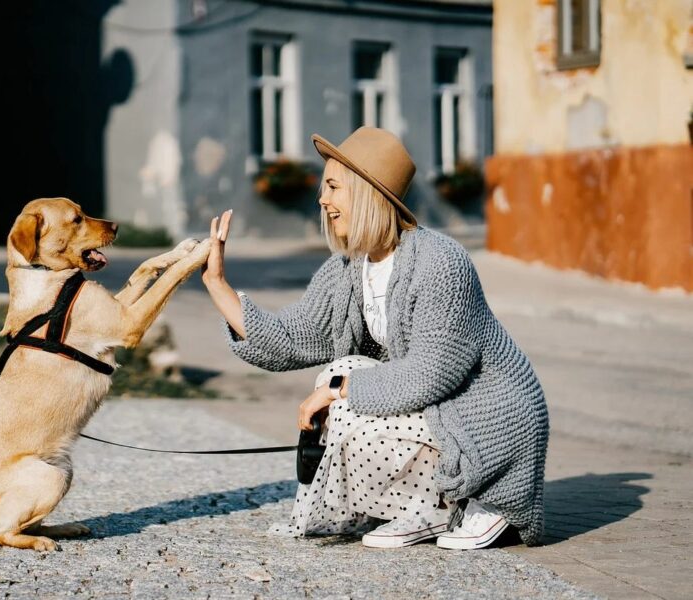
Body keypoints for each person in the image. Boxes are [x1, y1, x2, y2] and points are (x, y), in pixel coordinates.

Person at [200, 127, 549, 549]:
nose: (322, 200)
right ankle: (422, 507)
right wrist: (218, 285)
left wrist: (336, 392)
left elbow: (430, 374)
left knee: (342, 388)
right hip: (438, 410)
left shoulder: (441, 262)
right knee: (340, 373)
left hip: (488, 419)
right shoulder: (349, 267)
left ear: (366, 192)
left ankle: (470, 500)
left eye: (332, 187)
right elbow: (293, 337)